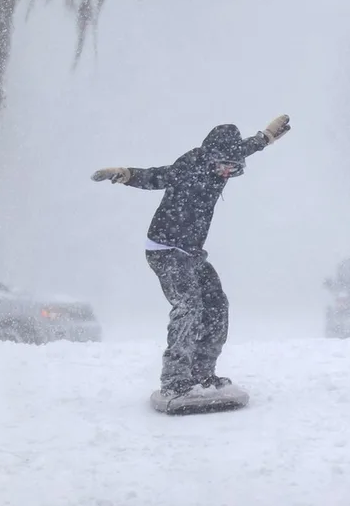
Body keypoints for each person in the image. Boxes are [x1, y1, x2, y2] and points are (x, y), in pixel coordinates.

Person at [92, 115, 290, 398]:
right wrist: (126, 174)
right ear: (211, 158)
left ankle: (201, 375)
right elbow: (156, 176)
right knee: (189, 306)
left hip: (192, 253)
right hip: (165, 251)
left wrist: (265, 138)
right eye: (223, 165)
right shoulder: (189, 167)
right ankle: (174, 382)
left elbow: (245, 147)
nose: (226, 172)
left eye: (232, 167)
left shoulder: (225, 161)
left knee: (216, 305)